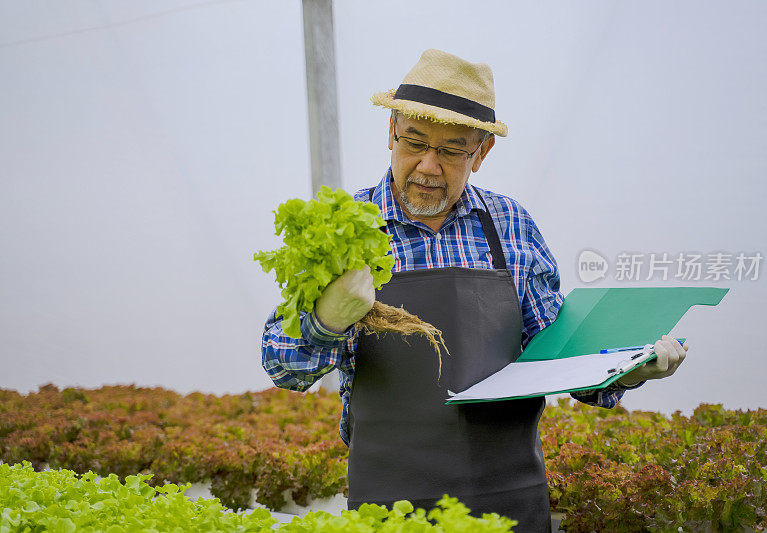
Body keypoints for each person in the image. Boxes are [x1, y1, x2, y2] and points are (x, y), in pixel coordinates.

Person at [261, 49, 688, 532]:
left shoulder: (511, 226)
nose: (427, 166)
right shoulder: (346, 231)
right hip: (389, 501)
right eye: (414, 142)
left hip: (508, 496)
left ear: (481, 153)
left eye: (450, 150)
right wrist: (328, 320)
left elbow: (558, 358)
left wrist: (630, 370)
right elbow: (282, 366)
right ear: (390, 133)